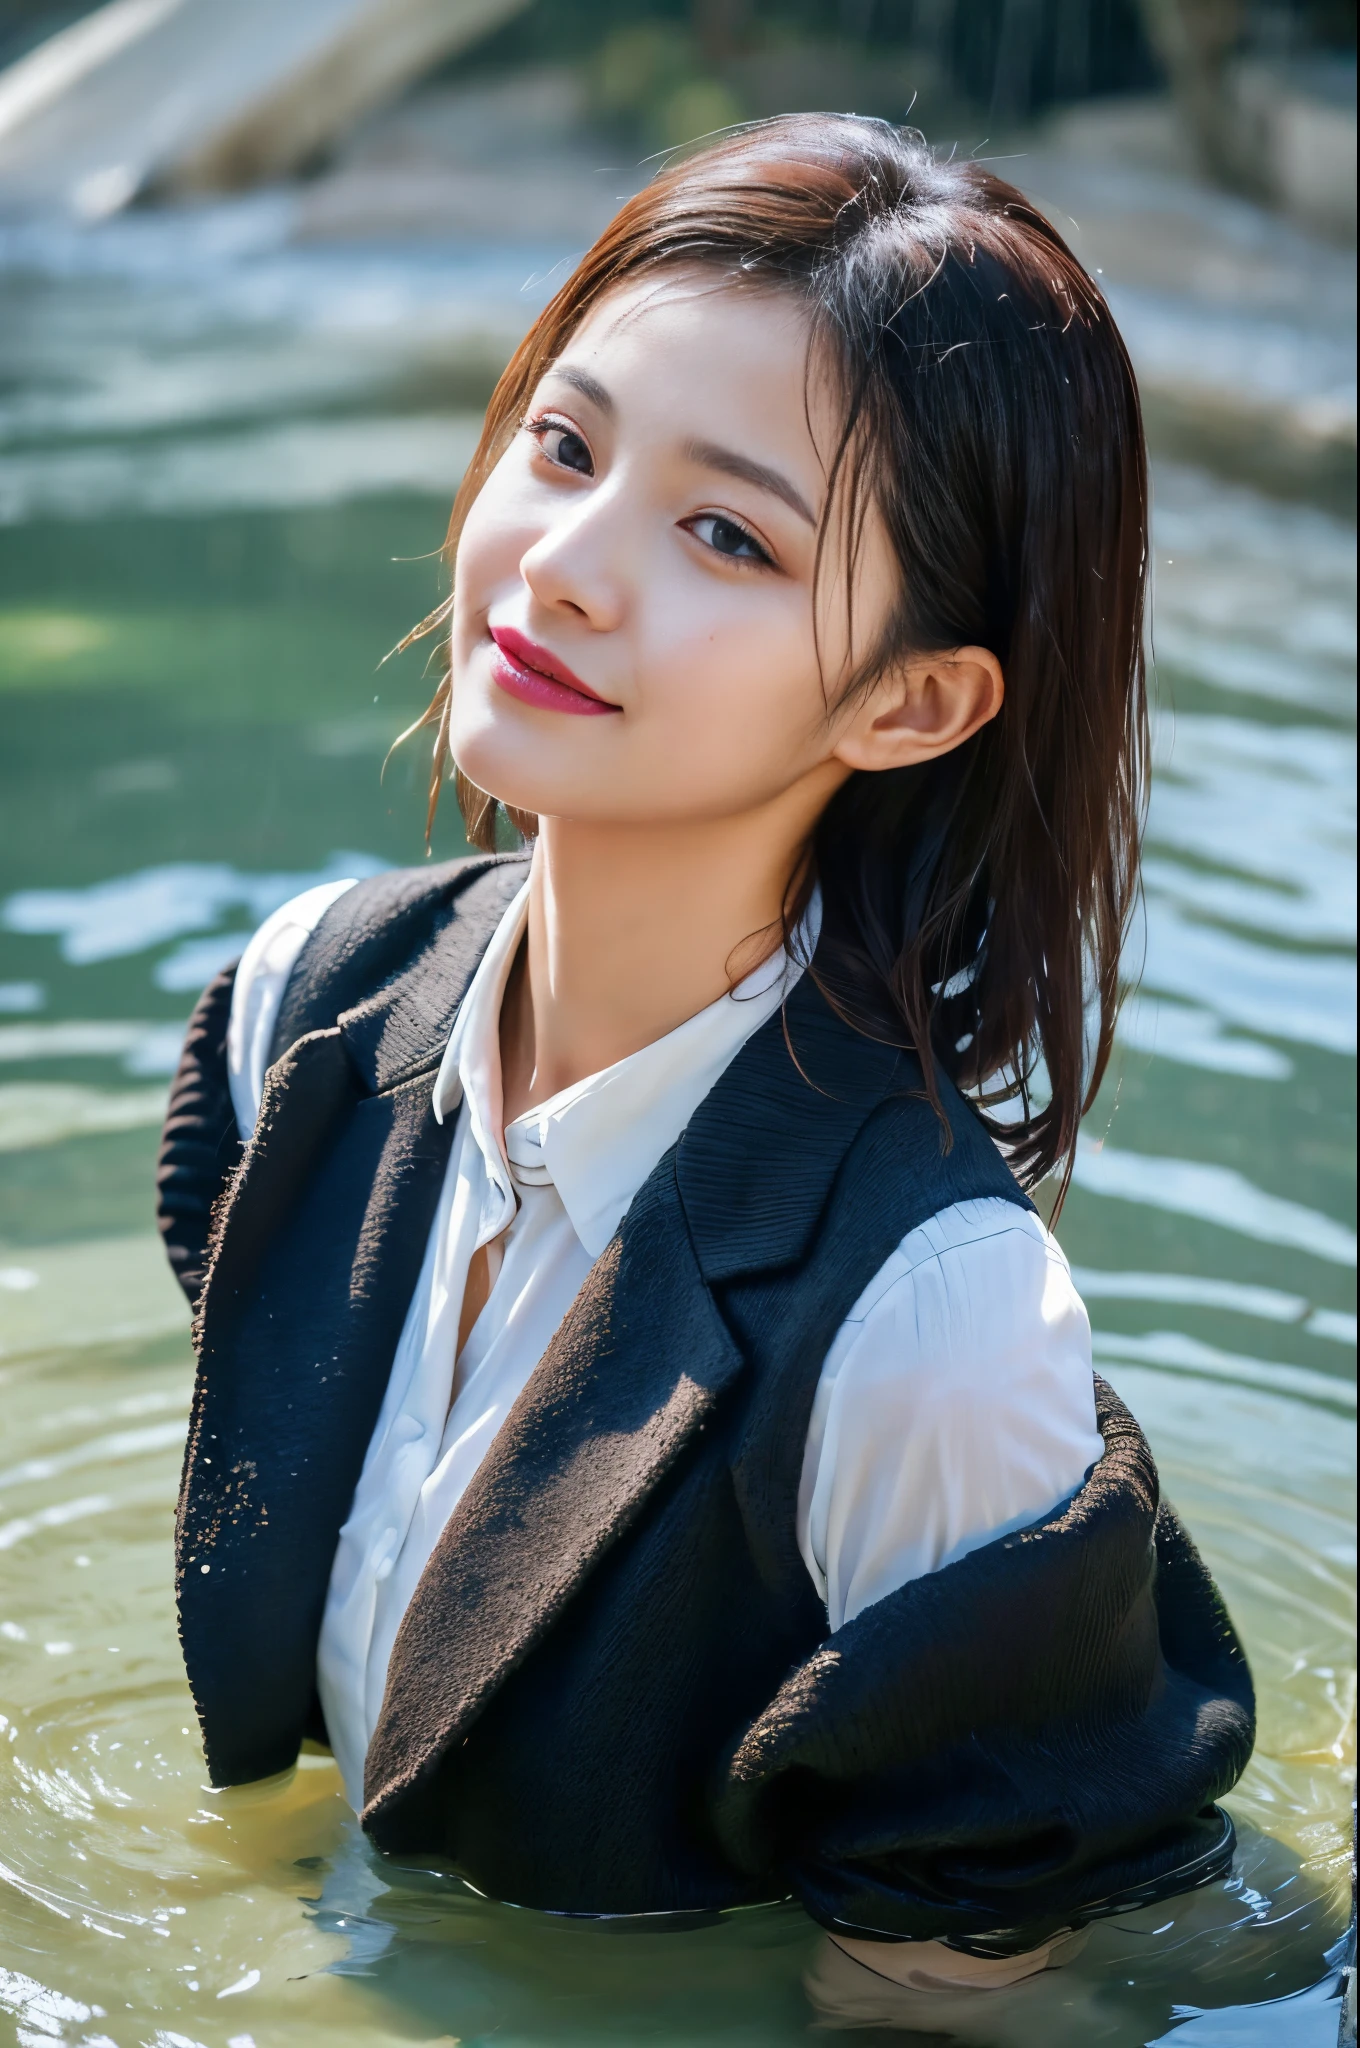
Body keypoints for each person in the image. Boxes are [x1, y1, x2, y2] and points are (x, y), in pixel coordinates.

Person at [157, 113, 1254, 1986]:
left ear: (913, 700)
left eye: (726, 533)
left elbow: (952, 2001)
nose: (564, 566)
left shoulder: (936, 1323)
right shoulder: (304, 1014)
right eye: (565, 444)